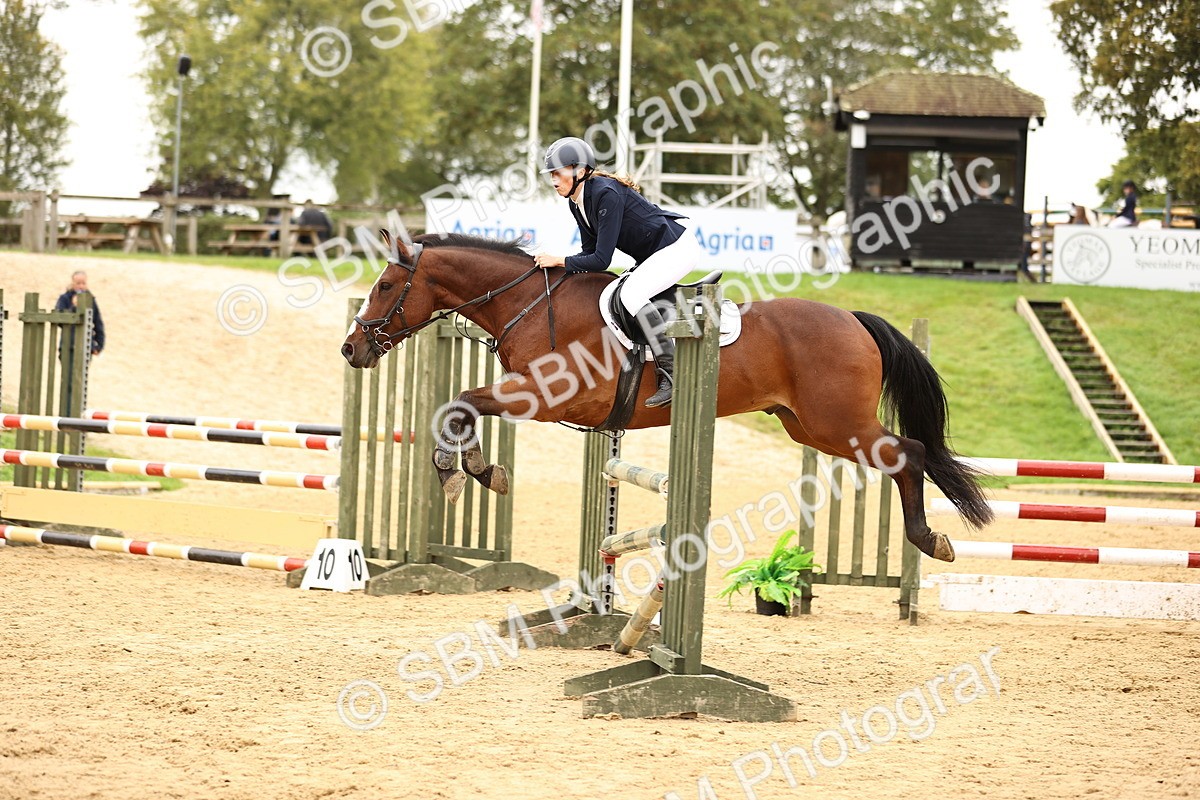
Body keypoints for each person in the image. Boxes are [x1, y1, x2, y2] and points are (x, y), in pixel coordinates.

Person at [533, 137, 703, 408]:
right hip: (656, 253)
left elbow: (601, 259)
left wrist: (559, 260)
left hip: (677, 248)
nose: (553, 179)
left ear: (579, 171)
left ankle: (673, 374)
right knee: (621, 289)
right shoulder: (576, 201)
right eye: (551, 174)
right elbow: (588, 253)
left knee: (633, 295)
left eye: (558, 172)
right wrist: (562, 267)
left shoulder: (605, 193)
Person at [54, 270, 105, 356]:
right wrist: (73, 307)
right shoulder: (65, 298)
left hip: (86, 346)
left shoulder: (91, 300)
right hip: (68, 346)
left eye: (83, 283)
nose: (81, 286)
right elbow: (59, 320)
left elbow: (98, 323)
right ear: (72, 283)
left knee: (83, 369)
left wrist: (99, 346)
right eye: (78, 283)